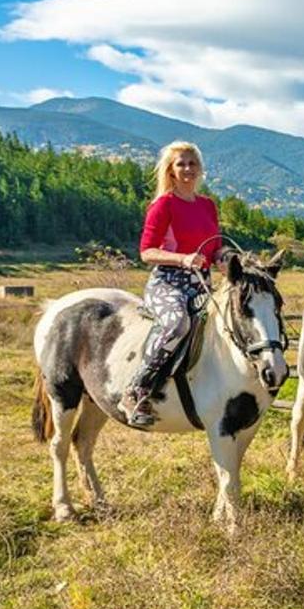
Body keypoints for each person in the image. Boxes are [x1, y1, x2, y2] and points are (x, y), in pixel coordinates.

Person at [121, 141, 222, 427]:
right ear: (171, 170)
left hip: (201, 284)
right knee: (178, 324)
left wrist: (226, 258)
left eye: (192, 163)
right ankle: (137, 389)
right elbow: (147, 252)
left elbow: (215, 247)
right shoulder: (163, 204)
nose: (188, 168)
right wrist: (182, 259)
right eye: (181, 163)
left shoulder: (207, 206)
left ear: (200, 168)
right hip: (168, 282)